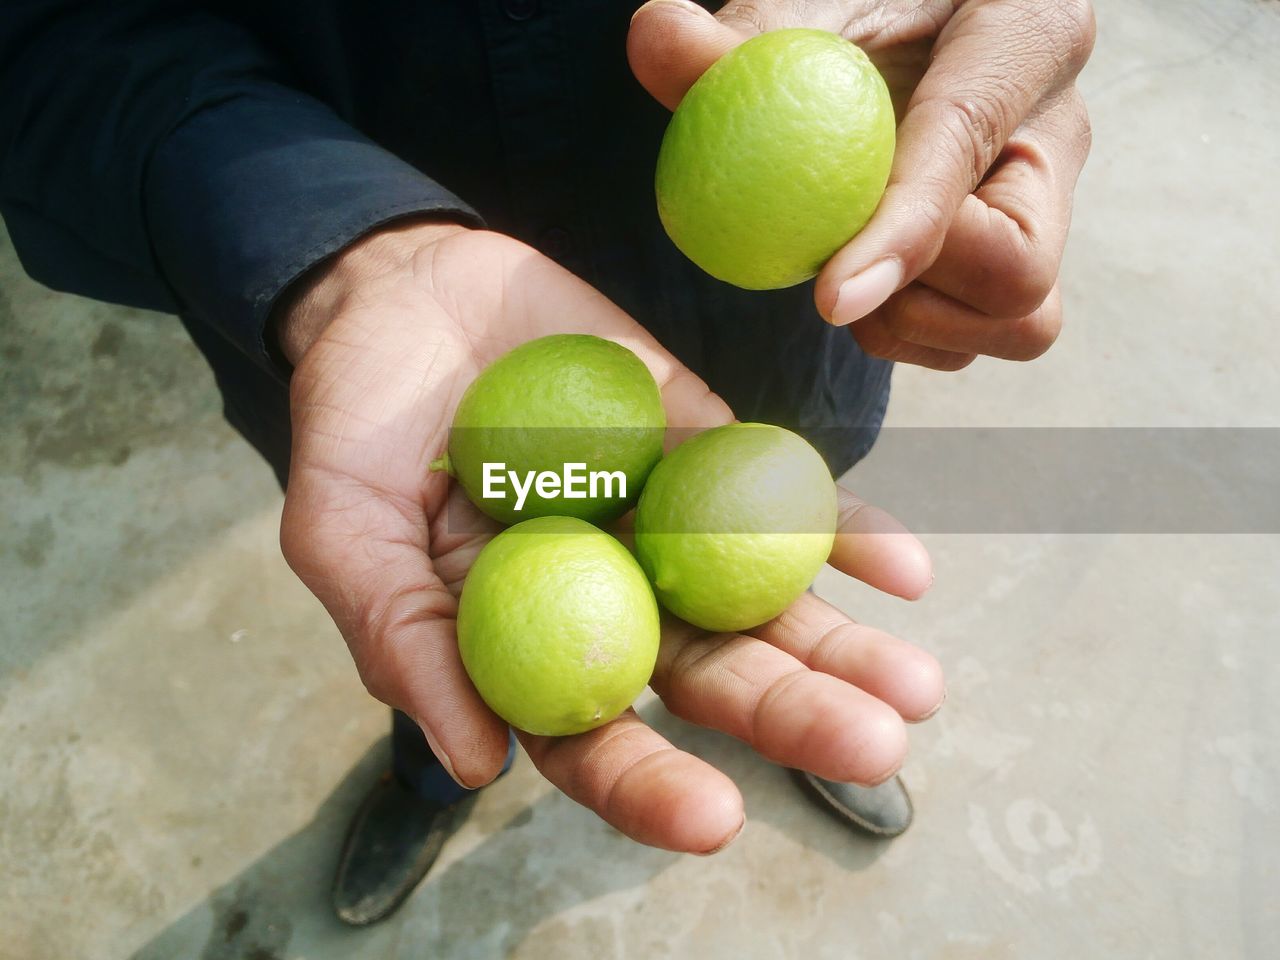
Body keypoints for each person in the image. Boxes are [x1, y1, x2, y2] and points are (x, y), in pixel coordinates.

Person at [0, 0, 1094, 926]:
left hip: (768, 321)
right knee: (432, 613)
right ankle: (429, 770)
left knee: (752, 530)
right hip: (386, 339)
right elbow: (53, 31)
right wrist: (335, 253)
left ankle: (789, 727)